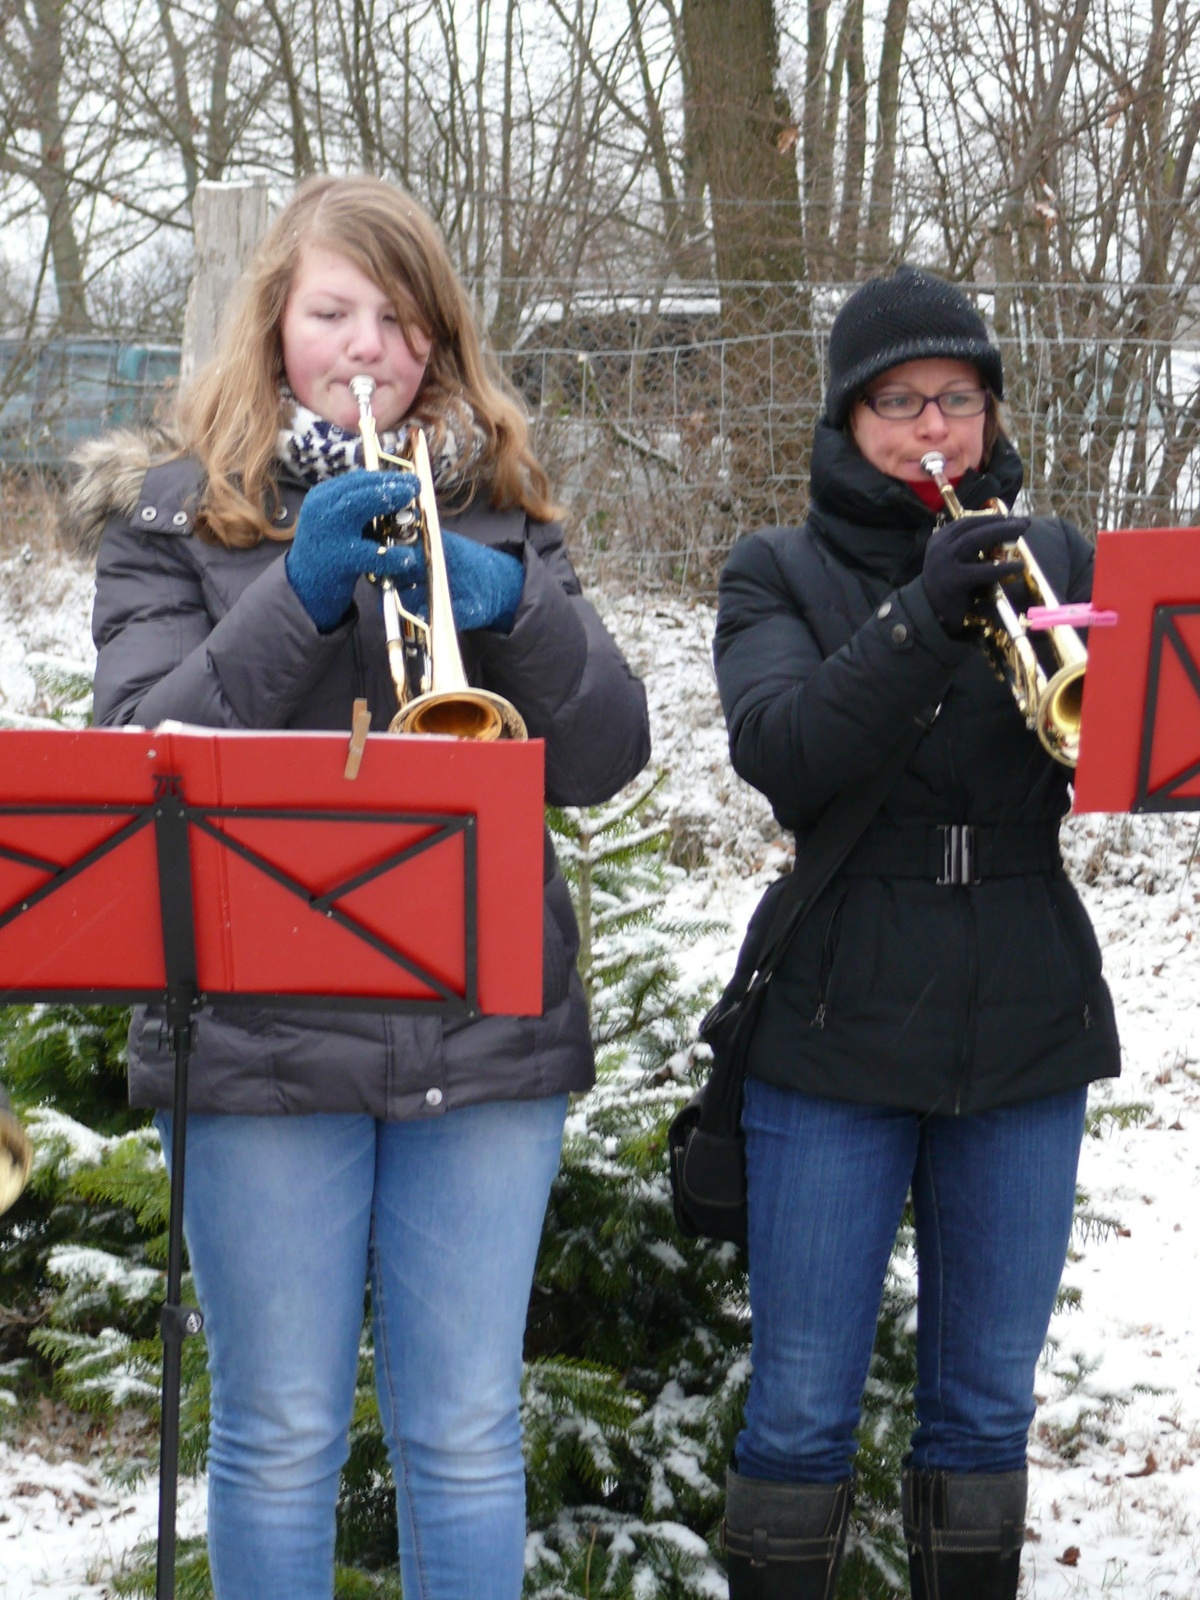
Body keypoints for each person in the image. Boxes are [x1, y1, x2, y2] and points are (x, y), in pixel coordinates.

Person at [75, 173, 649, 1600]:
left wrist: (524, 619)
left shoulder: (504, 510)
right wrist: (301, 590)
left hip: (485, 1025)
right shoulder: (170, 520)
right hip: (258, 1033)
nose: (364, 347)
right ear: (273, 326)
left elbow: (606, 756)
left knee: (462, 1429)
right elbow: (137, 752)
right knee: (277, 1435)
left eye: (397, 319)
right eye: (331, 311)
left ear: (438, 344)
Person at [711, 265, 1120, 1600]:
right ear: (848, 421)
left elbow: (1125, 747)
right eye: (898, 404)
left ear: (993, 414)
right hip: (833, 1022)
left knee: (988, 1416)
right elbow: (788, 755)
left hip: (1025, 1016)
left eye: (956, 399)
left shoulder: (1060, 555)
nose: (930, 428)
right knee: (800, 1416)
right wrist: (922, 611)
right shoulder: (775, 570)